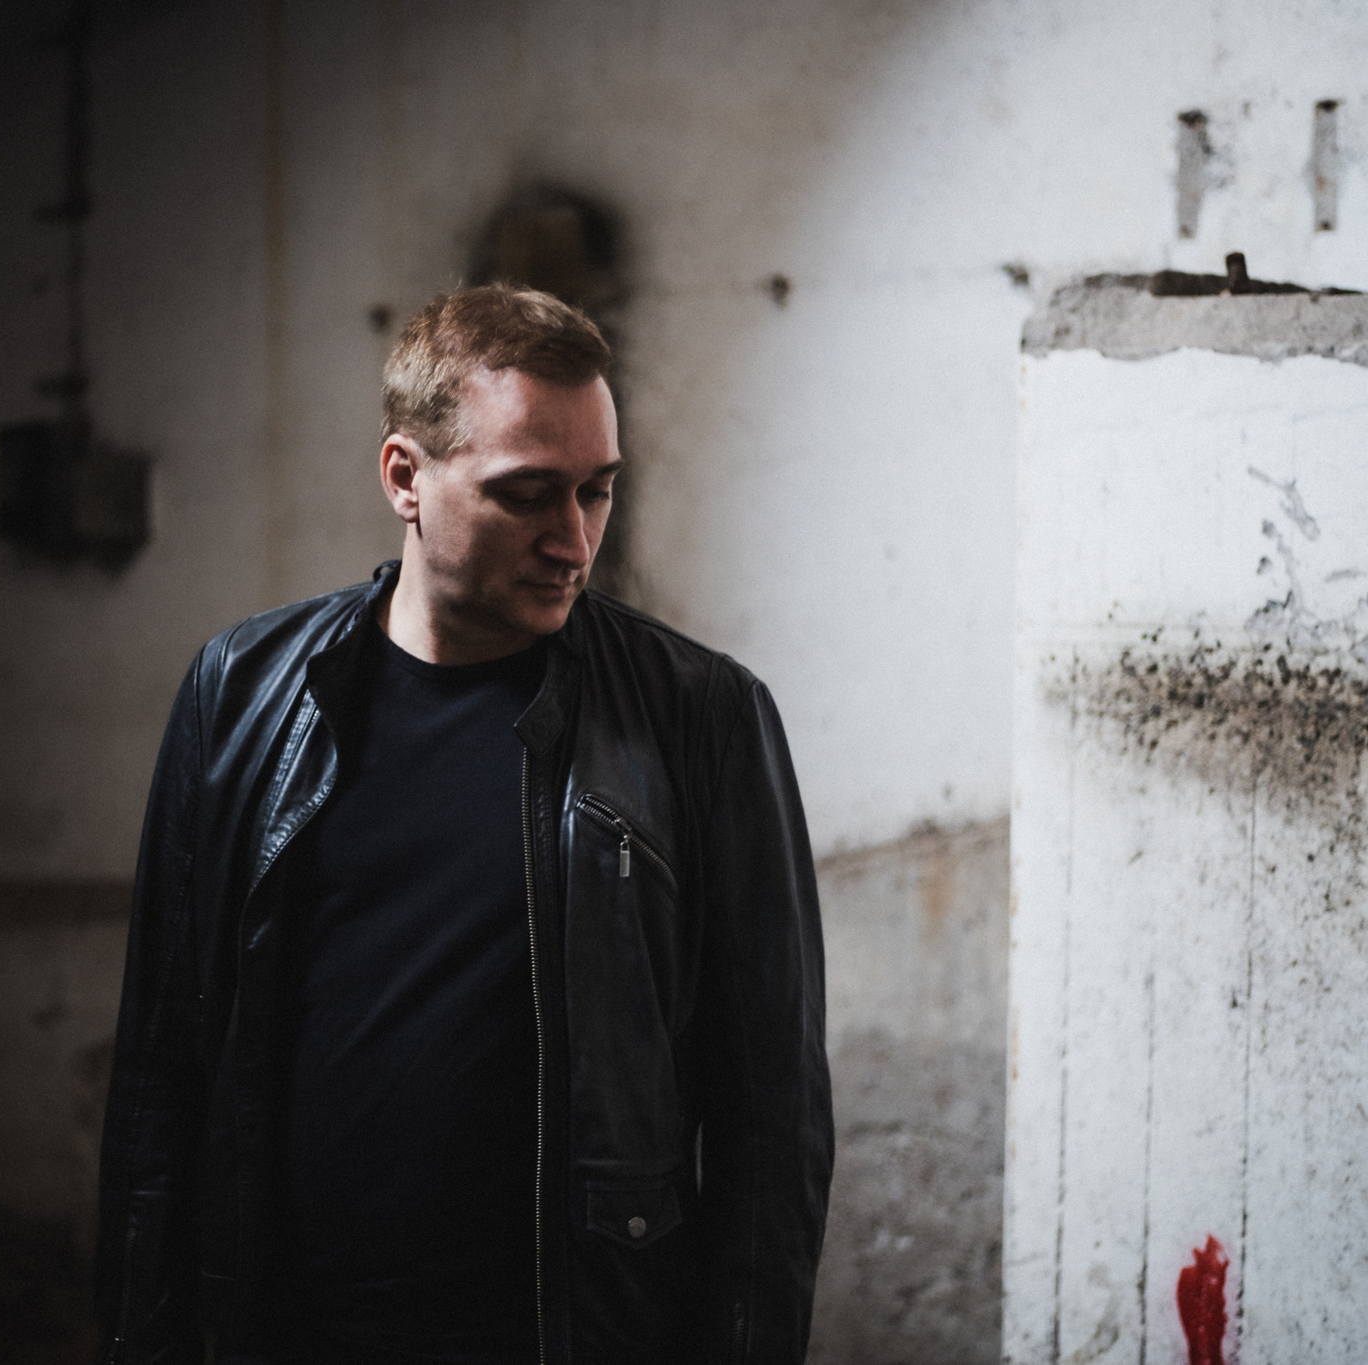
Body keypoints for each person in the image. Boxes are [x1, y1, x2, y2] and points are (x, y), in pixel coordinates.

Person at [93, 284, 831, 1364]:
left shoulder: (699, 719)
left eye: (596, 491)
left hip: (568, 1332)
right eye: (526, 495)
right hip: (289, 1328)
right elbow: (162, 1071)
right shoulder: (240, 693)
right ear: (405, 476)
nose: (573, 541)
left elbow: (771, 1120)